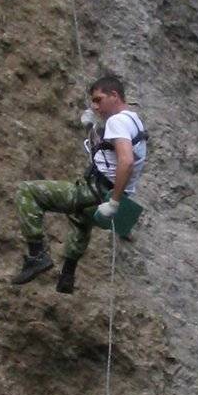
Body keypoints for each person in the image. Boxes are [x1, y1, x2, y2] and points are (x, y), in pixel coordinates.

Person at [11, 74, 148, 294]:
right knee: (80, 218)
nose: (95, 106)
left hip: (97, 192)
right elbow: (107, 151)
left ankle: (37, 255)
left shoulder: (117, 121)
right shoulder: (133, 121)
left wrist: (113, 202)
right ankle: (67, 275)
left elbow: (126, 160)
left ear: (114, 95)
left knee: (27, 191)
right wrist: (91, 128)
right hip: (102, 197)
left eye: (98, 99)